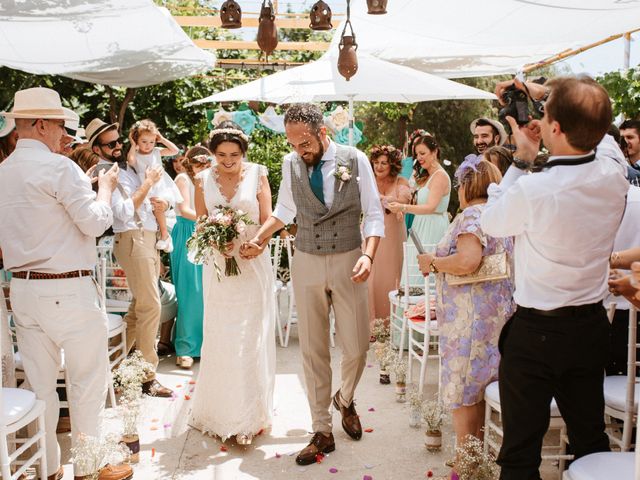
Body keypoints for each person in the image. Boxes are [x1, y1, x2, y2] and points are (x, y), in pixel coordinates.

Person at [481, 76, 628, 480]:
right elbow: (605, 131)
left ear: (556, 129)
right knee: (589, 438)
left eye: (544, 114)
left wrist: (521, 160)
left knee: (521, 452)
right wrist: (545, 94)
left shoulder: (535, 189)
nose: (540, 118)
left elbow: (491, 222)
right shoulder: (614, 174)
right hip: (591, 328)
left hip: (537, 336)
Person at [0, 87, 132, 480]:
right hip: (66, 287)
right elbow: (95, 223)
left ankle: (49, 467)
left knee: (41, 386)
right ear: (40, 124)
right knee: (87, 381)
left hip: (21, 289)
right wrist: (104, 190)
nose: (64, 135)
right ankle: (90, 467)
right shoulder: (60, 168)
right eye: (59, 125)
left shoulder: (3, 171)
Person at [240, 103, 384, 465]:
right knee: (313, 350)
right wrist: (260, 238)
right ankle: (321, 429)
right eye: (292, 144)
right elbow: (284, 210)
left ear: (322, 133)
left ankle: (345, 399)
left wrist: (368, 255)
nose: (298, 151)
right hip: (306, 259)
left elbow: (374, 213)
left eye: (303, 143)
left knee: (356, 347)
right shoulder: (291, 164)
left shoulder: (355, 159)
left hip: (350, 257)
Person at [417, 158, 515, 479]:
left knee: (463, 390)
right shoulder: (502, 216)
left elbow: (468, 260)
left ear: (466, 186)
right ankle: (477, 456)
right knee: (481, 388)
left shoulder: (473, 214)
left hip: (470, 320)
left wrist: (433, 262)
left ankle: (465, 462)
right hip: (495, 318)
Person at [189, 123, 275, 445]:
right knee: (221, 336)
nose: (227, 161)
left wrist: (258, 243)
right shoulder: (202, 180)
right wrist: (214, 241)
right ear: (212, 153)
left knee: (249, 338)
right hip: (219, 269)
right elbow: (199, 223)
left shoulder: (258, 174)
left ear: (244, 153)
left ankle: (248, 419)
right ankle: (221, 412)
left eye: (234, 155)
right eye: (221, 155)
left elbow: (269, 217)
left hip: (252, 263)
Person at [88, 117, 174, 398]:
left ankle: (116, 367)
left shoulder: (133, 166)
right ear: (97, 148)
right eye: (110, 143)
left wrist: (164, 202)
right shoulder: (107, 173)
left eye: (118, 140)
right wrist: (148, 184)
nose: (117, 146)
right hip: (132, 238)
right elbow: (123, 212)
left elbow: (158, 202)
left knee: (139, 309)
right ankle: (147, 376)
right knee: (151, 306)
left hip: (146, 239)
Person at [170, 150, 211, 369]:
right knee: (190, 292)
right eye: (198, 162)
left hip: (204, 234)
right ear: (189, 163)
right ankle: (184, 348)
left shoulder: (209, 180)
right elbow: (185, 210)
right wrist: (211, 221)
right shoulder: (183, 179)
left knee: (205, 292)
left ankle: (204, 344)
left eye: (206, 162)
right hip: (187, 234)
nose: (202, 166)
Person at [388, 134, 450, 272]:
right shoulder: (426, 176)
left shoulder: (440, 176)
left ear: (434, 152)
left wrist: (403, 207)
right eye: (417, 154)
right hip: (420, 226)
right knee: (414, 268)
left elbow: (430, 207)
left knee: (425, 272)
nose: (419, 158)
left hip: (433, 227)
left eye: (423, 153)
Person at [367, 144, 411, 329]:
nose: (379, 167)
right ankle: (371, 323)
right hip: (371, 232)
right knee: (372, 275)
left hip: (393, 233)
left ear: (392, 164)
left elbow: (404, 200)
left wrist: (386, 201)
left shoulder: (400, 181)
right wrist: (389, 202)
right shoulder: (368, 180)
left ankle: (393, 324)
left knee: (393, 273)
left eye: (384, 163)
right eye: (376, 162)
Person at [127, 119, 181, 253]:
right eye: (144, 141)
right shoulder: (136, 153)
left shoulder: (156, 151)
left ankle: (165, 235)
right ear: (137, 140)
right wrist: (133, 145)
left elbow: (175, 150)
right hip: (144, 185)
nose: (148, 145)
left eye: (151, 142)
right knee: (148, 212)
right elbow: (131, 161)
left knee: (158, 208)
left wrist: (161, 139)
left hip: (158, 185)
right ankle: (159, 234)